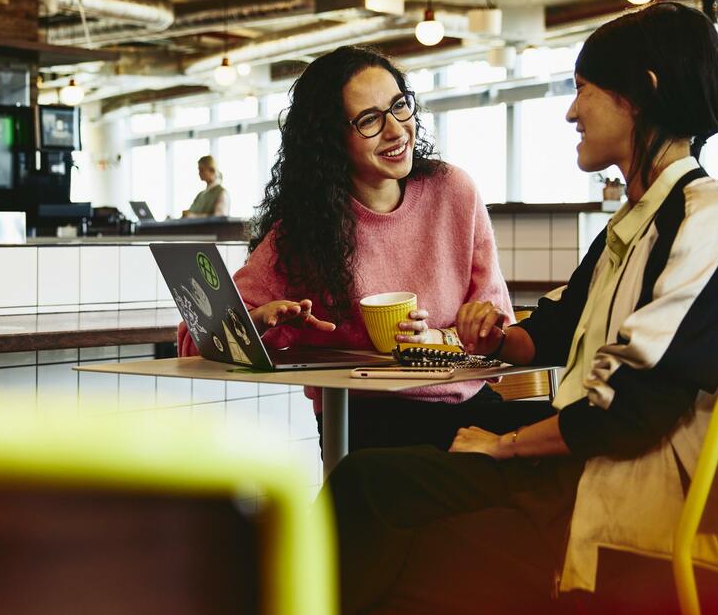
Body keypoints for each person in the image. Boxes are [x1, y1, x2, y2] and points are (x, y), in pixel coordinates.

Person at [330, 1, 718, 615]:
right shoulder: (635, 219)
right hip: (574, 482)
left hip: (619, 529)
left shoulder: (702, 214)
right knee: (363, 490)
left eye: (584, 89)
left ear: (639, 93)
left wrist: (507, 446)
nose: (569, 112)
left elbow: (635, 407)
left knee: (361, 540)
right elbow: (550, 329)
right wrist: (498, 331)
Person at [177, 46, 530, 452]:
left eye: (400, 106)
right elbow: (193, 343)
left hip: (469, 406)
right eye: (369, 120)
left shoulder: (453, 191)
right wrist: (257, 321)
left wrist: (436, 339)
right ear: (331, 139)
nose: (396, 129)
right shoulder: (305, 231)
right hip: (368, 423)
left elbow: (496, 332)